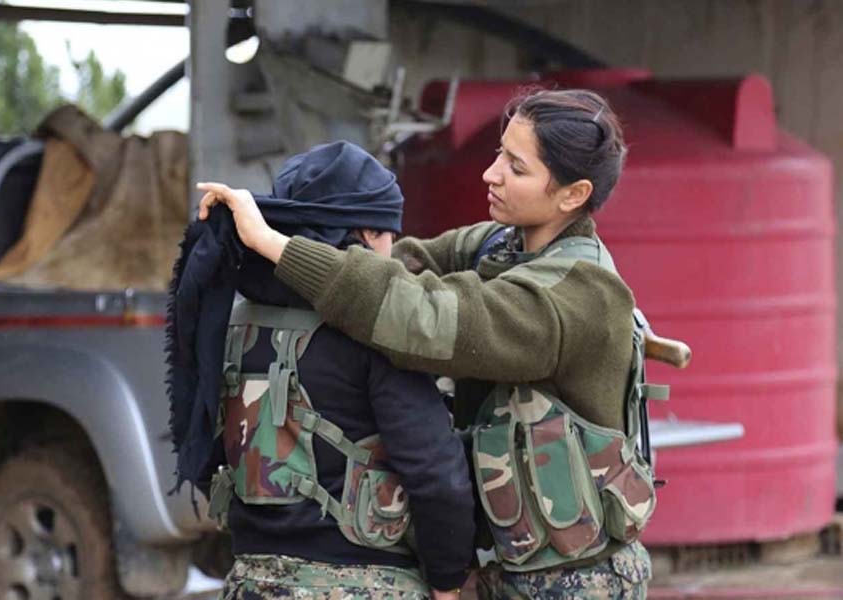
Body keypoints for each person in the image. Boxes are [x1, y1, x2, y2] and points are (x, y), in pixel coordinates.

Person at [197, 89, 654, 599]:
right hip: (508, 566)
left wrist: (276, 245)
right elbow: (396, 268)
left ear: (572, 194)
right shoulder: (499, 245)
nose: (492, 173)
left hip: (576, 579)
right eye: (499, 153)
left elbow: (428, 318)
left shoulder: (580, 295)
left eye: (517, 168)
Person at [170, 141, 474, 600]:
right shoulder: (373, 332)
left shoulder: (231, 318)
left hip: (251, 580)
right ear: (368, 234)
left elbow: (206, 449)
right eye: (389, 235)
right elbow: (435, 473)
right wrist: (449, 580)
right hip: (367, 583)